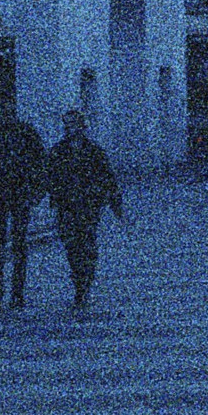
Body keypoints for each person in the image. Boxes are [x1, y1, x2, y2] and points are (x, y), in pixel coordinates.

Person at [0, 109, 48, 312]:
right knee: (3, 245)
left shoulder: (16, 134)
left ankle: (13, 294)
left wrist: (36, 190)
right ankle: (1, 294)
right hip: (2, 195)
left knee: (14, 245)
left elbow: (39, 163)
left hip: (15, 194)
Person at [46, 108, 124, 312]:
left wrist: (115, 203)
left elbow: (108, 177)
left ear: (82, 127)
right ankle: (78, 280)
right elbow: (49, 177)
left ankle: (85, 280)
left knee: (87, 243)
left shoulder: (94, 151)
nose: (71, 129)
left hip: (88, 206)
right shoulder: (58, 151)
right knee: (71, 246)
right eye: (68, 125)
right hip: (67, 206)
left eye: (75, 124)